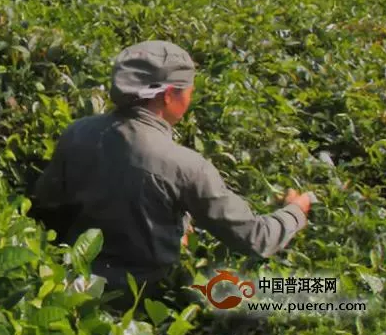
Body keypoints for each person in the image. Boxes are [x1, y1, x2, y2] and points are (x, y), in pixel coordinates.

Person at [30, 40, 312, 297]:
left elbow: (46, 210)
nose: (190, 97)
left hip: (68, 284)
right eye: (188, 90)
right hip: (138, 299)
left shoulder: (77, 132)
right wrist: (296, 210)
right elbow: (254, 238)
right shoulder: (186, 166)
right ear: (167, 96)